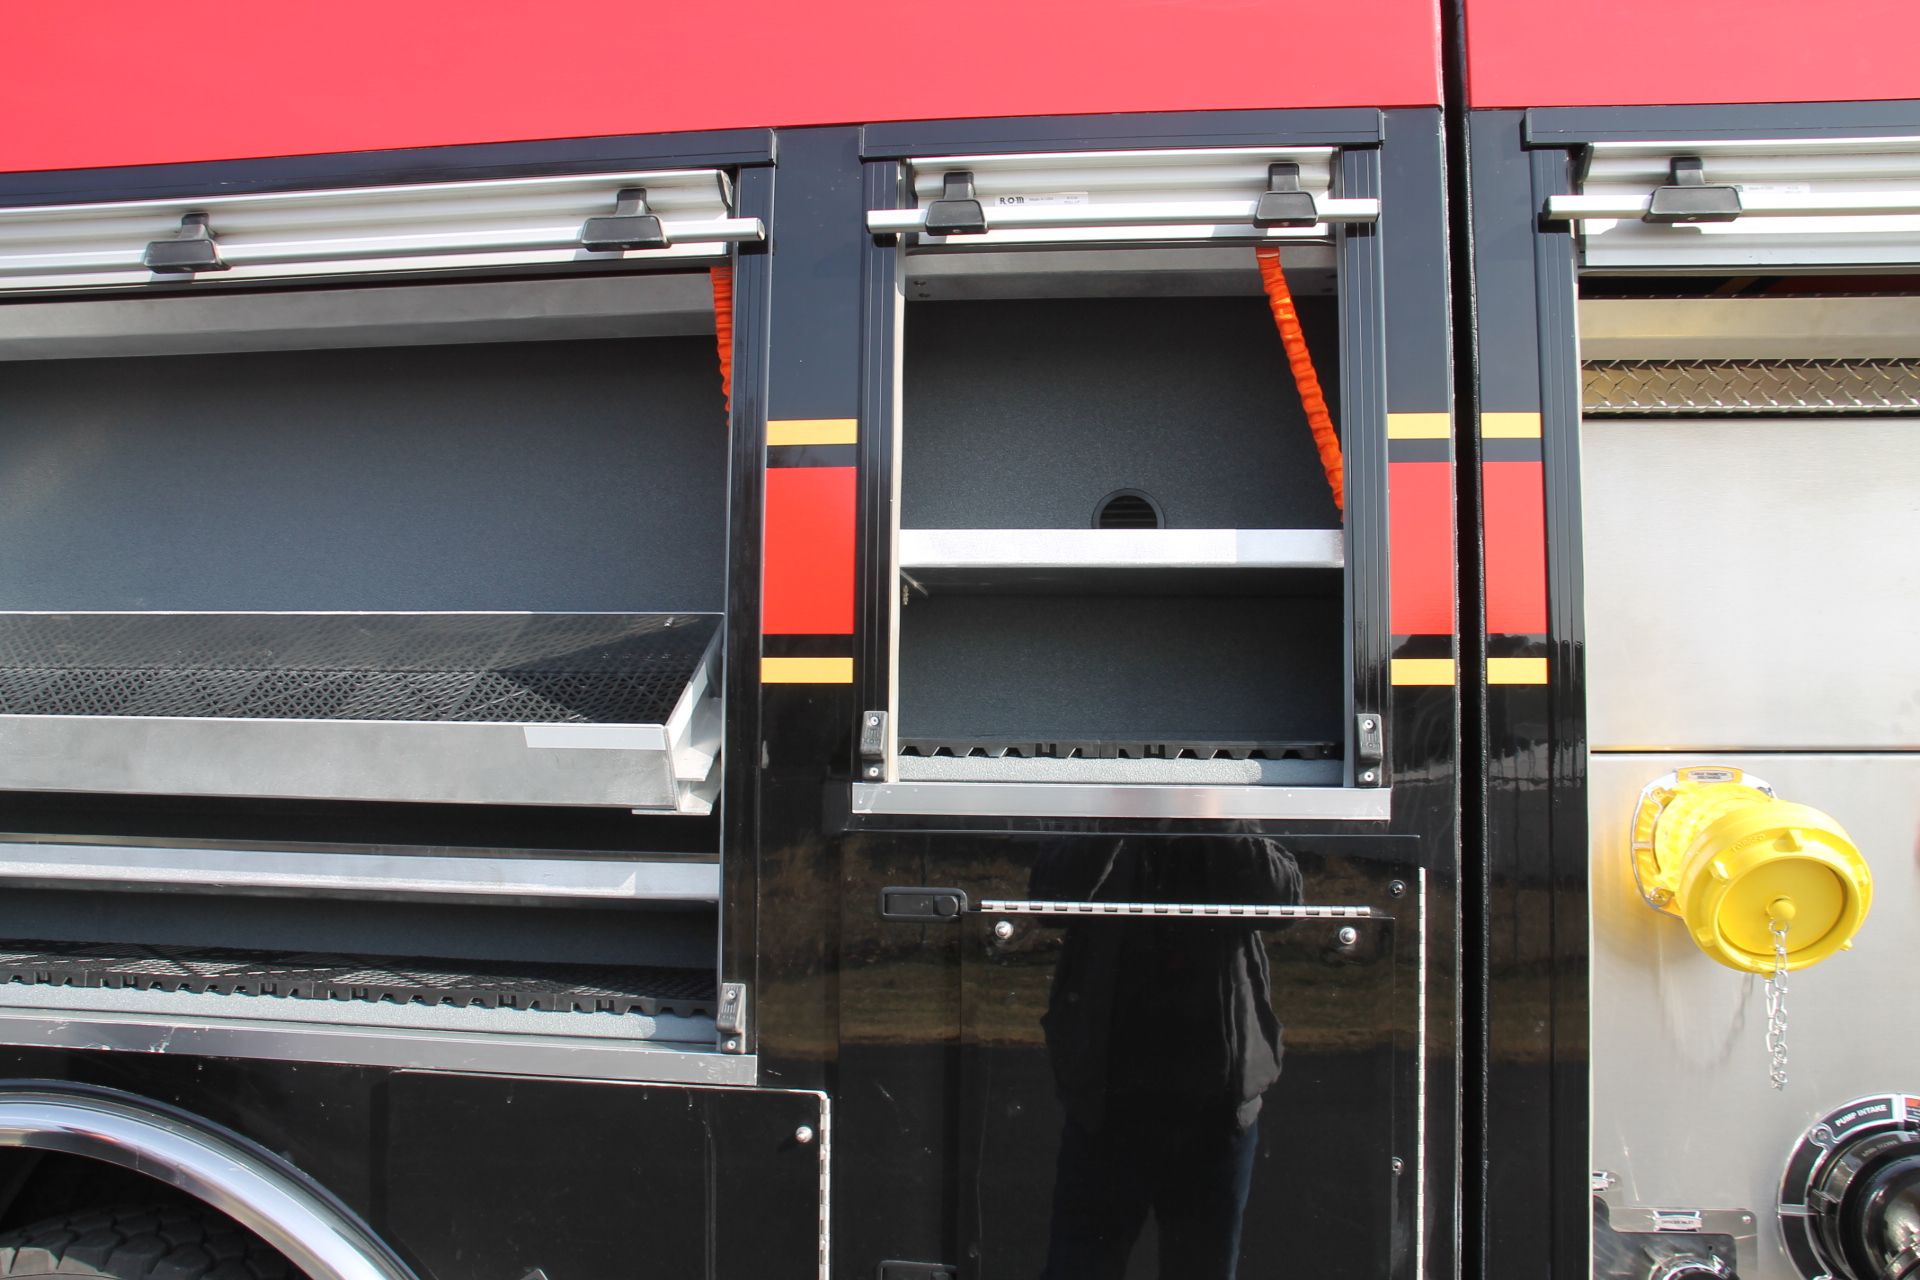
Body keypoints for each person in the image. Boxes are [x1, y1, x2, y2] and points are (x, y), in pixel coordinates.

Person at [1029, 833, 1303, 1280]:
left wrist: (1216, 814)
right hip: (1107, 1110)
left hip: (1218, 1110)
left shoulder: (1233, 804)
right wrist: (1116, 817)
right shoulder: (1093, 802)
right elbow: (1047, 900)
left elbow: (1282, 901)